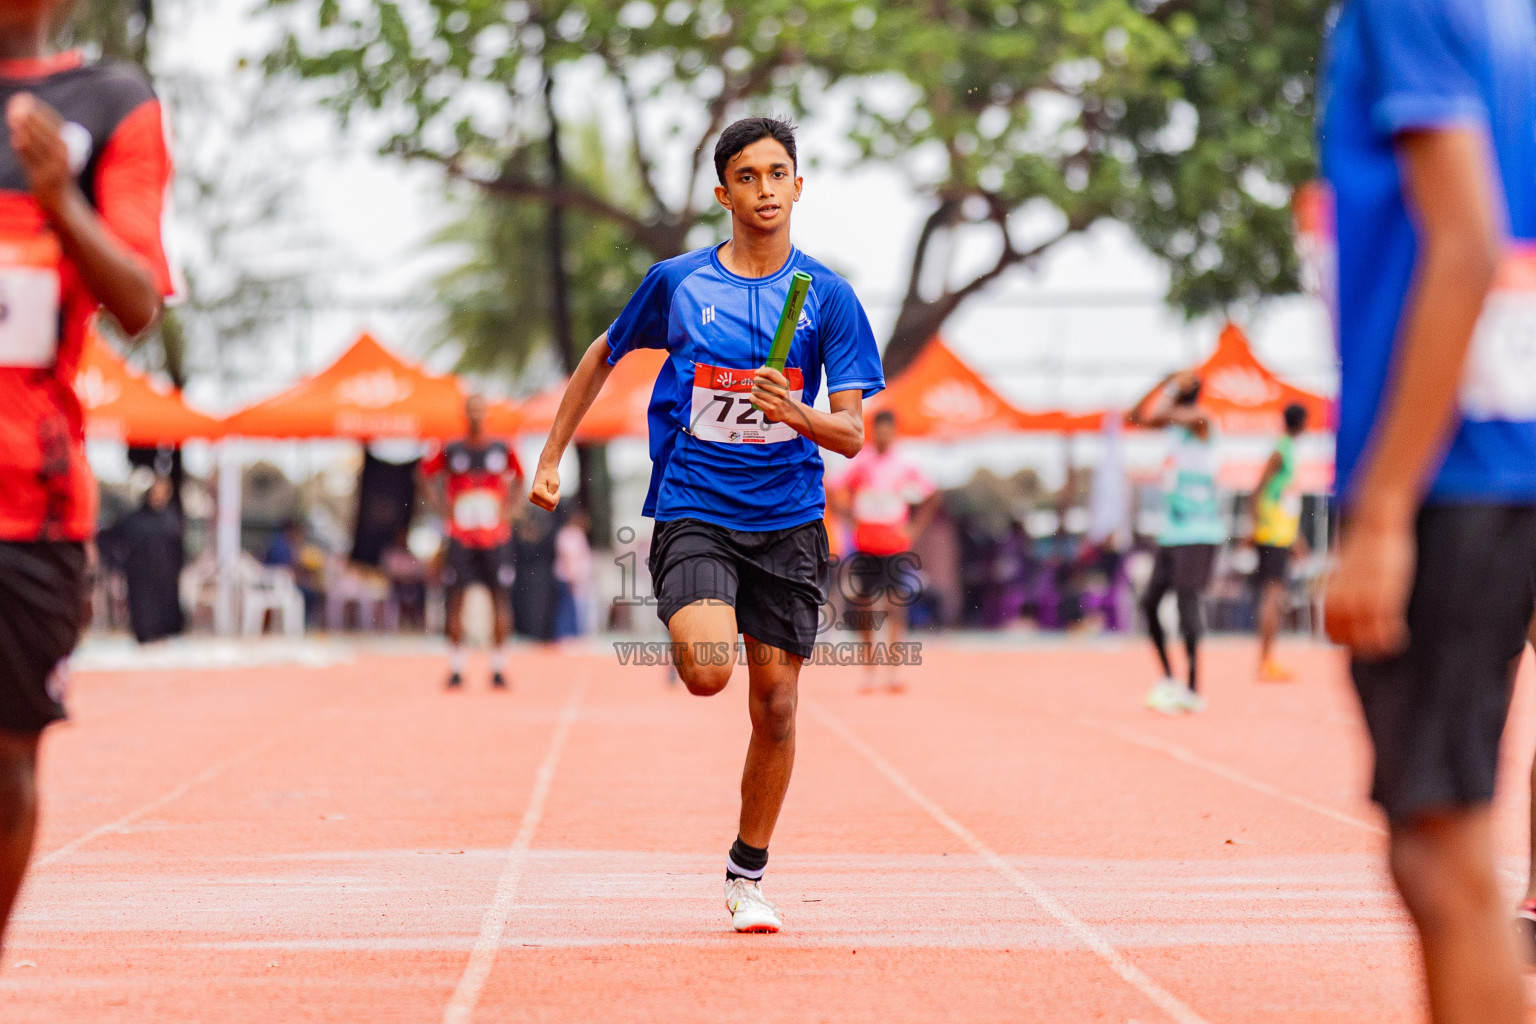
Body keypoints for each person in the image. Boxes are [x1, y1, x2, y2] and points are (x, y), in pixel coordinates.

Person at [528, 116, 883, 933]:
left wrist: (795, 412)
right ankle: (700, 615)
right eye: (747, 177)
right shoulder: (679, 282)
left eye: (778, 174)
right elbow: (604, 353)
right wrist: (551, 456)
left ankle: (745, 873)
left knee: (778, 706)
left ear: (799, 185)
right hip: (695, 506)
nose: (765, 189)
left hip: (789, 518)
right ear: (723, 193)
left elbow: (850, 433)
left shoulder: (828, 298)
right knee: (708, 670)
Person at [1321, 0, 1536, 1019]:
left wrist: (1384, 510)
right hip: (1506, 446)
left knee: (1442, 847)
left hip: (1460, 467)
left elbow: (1467, 240)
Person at [0, 0, 173, 951]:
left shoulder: (109, 103)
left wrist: (59, 197)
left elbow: (138, 301)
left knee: (7, 763)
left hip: (27, 502)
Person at [1129, 370, 1224, 714]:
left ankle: (1193, 688)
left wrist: (1170, 389)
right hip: (1171, 532)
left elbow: (1164, 414)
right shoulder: (1173, 428)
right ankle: (1170, 679)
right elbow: (1135, 416)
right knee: (1149, 603)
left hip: (1200, 532)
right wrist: (1163, 381)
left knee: (1187, 603)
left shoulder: (1203, 422)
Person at [420, 394, 523, 690]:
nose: (476, 415)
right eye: (471, 410)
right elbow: (425, 474)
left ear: (486, 414)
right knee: (455, 599)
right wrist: (442, 508)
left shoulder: (501, 447)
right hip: (461, 536)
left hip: (494, 536)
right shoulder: (451, 448)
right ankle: (456, 667)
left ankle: (498, 667)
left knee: (499, 598)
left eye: (480, 410)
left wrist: (510, 511)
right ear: (465, 414)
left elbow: (520, 477)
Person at [829, 408, 937, 694]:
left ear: (895, 432)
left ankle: (893, 670)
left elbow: (931, 494)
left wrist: (914, 529)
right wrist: (848, 519)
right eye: (879, 431)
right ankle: (869, 669)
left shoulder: (906, 464)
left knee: (895, 605)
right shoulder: (860, 462)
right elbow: (833, 487)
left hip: (894, 545)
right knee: (865, 606)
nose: (884, 436)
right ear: (873, 431)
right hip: (866, 544)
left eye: (888, 431)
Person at [1251, 402, 1309, 681]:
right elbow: (1259, 489)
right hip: (1272, 534)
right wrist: (1255, 525)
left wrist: (1296, 538)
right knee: (1272, 596)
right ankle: (1265, 661)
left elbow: (1284, 499)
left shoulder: (1289, 450)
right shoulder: (1281, 450)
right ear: (1303, 423)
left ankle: (1268, 658)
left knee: (1277, 597)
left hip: (1281, 533)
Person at [99, 474, 185, 644]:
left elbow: (178, 550)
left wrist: (178, 569)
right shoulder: (134, 519)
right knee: (145, 631)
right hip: (141, 587)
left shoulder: (171, 518)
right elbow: (106, 539)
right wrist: (117, 564)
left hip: (166, 587)